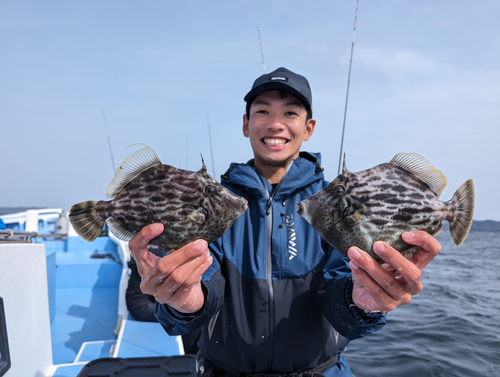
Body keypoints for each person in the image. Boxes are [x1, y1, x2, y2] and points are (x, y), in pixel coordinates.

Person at [128, 67, 442, 376]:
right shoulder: (217, 202)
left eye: (290, 113)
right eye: (263, 111)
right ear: (246, 124)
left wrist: (362, 303)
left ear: (308, 128)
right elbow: (202, 287)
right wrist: (186, 302)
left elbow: (342, 300)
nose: (276, 124)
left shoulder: (330, 203)